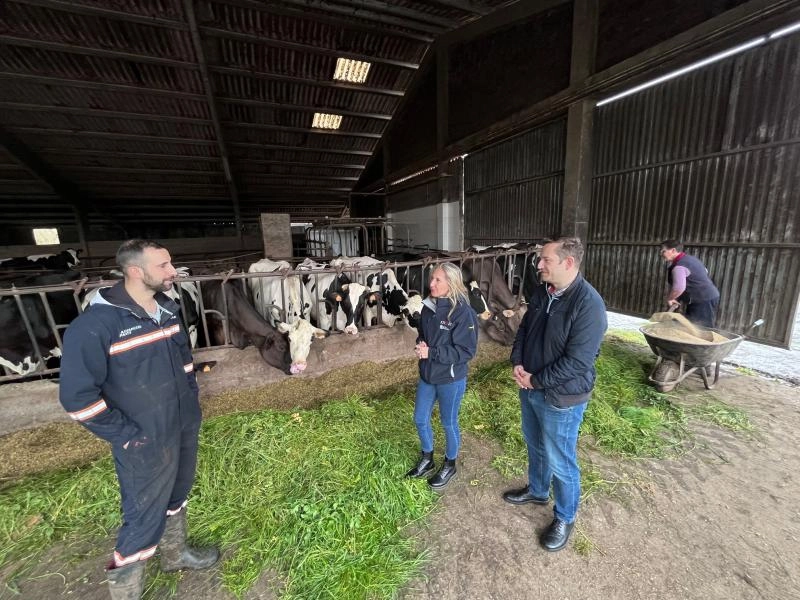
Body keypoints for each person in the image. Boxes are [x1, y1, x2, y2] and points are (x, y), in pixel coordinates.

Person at [59, 240, 219, 600]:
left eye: (170, 263)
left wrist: (190, 406)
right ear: (135, 271)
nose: (172, 271)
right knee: (144, 512)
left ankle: (176, 555)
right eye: (163, 265)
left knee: (177, 493)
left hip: (181, 425)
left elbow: (184, 363)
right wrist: (127, 436)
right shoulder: (95, 326)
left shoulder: (168, 309)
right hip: (142, 438)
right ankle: (126, 591)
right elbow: (76, 397)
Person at [504, 237, 606, 552]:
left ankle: (565, 516)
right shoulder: (541, 292)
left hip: (561, 396)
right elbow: (524, 329)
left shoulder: (588, 305)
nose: (539, 264)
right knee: (535, 444)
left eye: (546, 260)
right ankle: (537, 489)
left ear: (568, 263)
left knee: (561, 458)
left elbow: (578, 362)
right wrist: (518, 362)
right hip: (530, 384)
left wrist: (537, 380)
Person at [405, 262, 479, 489]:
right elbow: (423, 335)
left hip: (451, 378)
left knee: (448, 422)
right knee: (419, 418)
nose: (431, 283)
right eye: (432, 279)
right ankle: (427, 458)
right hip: (428, 374)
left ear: (451, 283)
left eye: (438, 280)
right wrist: (421, 344)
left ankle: (450, 463)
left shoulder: (463, 312)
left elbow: (466, 351)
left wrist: (432, 352)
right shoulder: (428, 307)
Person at [660, 239, 720, 328]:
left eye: (663, 251)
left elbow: (679, 288)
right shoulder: (690, 259)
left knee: (701, 327)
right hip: (707, 296)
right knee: (693, 324)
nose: (661, 253)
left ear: (673, 250)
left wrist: (671, 298)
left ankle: (707, 341)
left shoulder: (679, 266)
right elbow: (705, 271)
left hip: (702, 299)